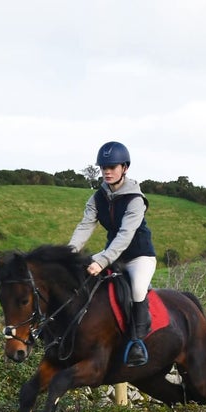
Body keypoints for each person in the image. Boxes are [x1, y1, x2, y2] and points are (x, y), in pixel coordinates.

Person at [68, 140, 156, 367]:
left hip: (139, 256)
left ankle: (137, 343)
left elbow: (125, 235)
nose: (107, 172)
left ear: (124, 168)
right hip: (114, 254)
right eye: (103, 168)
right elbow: (86, 226)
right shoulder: (97, 197)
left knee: (137, 288)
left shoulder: (136, 200)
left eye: (112, 167)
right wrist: (69, 253)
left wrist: (102, 260)